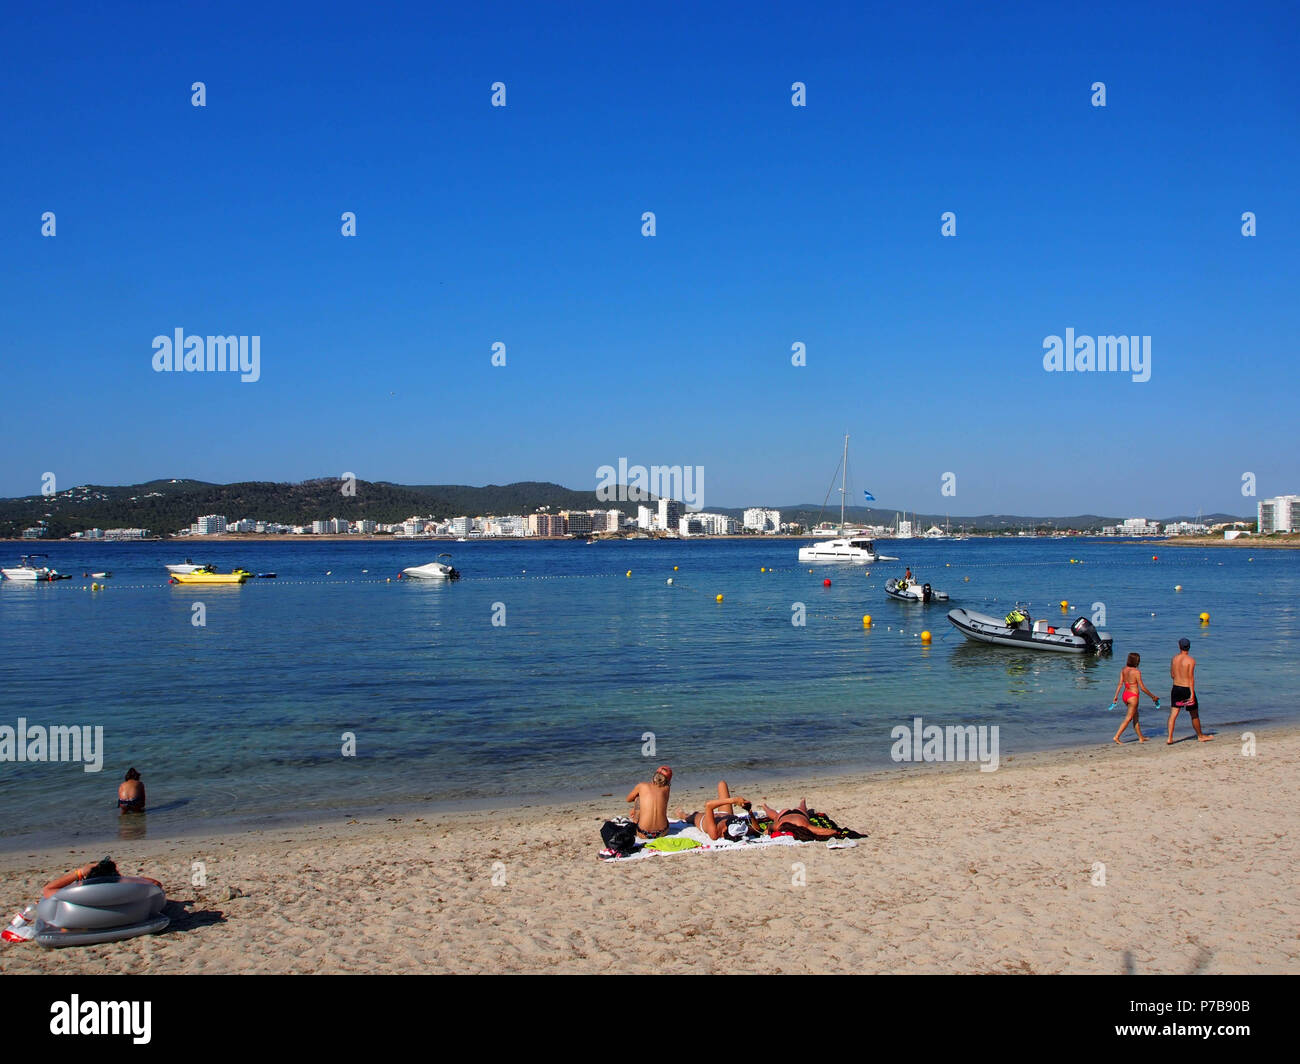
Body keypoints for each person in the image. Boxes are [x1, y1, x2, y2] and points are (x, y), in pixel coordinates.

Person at [674, 780, 754, 841]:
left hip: (704, 819)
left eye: (729, 822)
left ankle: (683, 815)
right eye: (735, 820)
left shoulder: (714, 833)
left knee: (690, 817)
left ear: (724, 830)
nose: (735, 820)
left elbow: (709, 805)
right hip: (725, 813)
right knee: (722, 784)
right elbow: (757, 828)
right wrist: (749, 810)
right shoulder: (742, 829)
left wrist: (733, 800)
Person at [1169, 638, 1212, 743]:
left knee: (1173, 714)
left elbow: (1172, 675)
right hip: (1186, 689)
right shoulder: (1191, 660)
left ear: (1179, 646)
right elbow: (1191, 678)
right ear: (1189, 647)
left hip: (1176, 688)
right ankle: (1200, 736)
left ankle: (1169, 738)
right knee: (1194, 714)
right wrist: (1192, 693)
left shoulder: (1174, 659)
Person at [1111, 652, 1157, 743]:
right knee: (1129, 718)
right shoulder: (1136, 672)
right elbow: (1142, 688)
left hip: (1125, 695)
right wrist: (1153, 696)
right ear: (1136, 661)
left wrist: (1115, 696)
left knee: (1135, 716)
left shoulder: (1124, 670)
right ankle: (1116, 737)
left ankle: (1141, 737)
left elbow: (1120, 684)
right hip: (1133, 696)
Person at [625, 765, 672, 839]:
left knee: (638, 797)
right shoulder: (667, 789)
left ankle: (635, 821)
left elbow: (628, 799)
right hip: (662, 832)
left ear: (654, 775)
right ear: (668, 780)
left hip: (643, 833)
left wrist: (639, 803)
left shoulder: (642, 786)